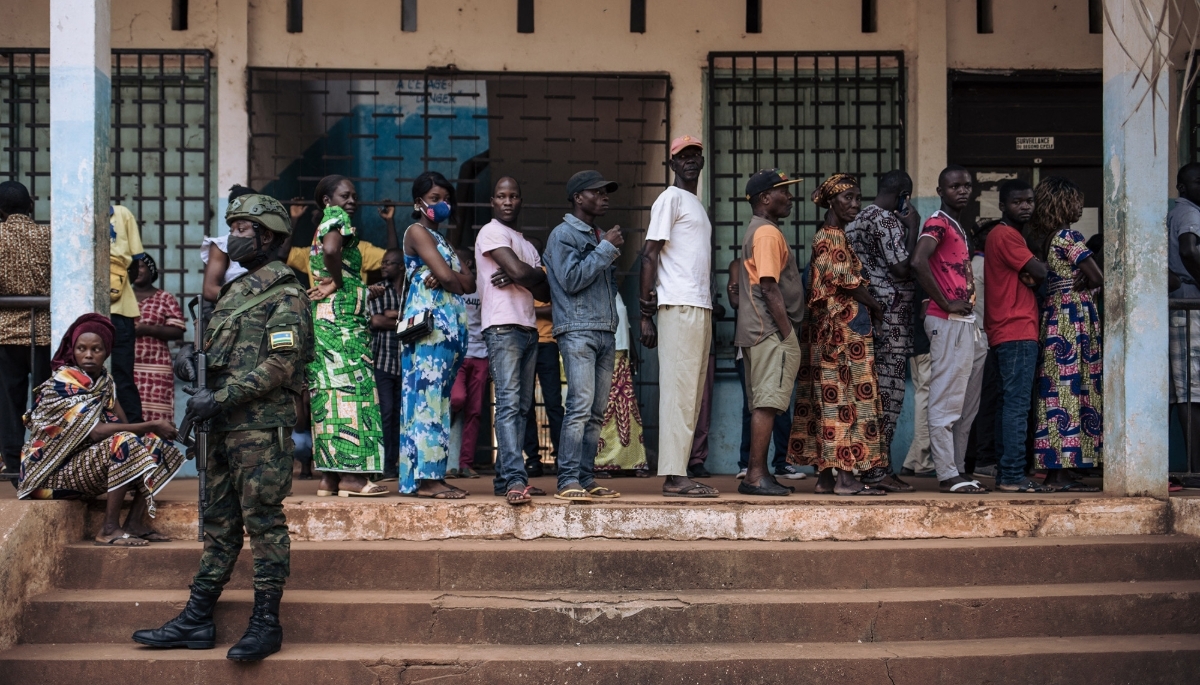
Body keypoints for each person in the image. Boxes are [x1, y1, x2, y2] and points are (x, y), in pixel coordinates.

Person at [132, 193, 312, 661]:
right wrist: (196, 366)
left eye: (242, 229)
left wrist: (222, 395)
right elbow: (224, 355)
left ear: (266, 236)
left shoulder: (286, 292)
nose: (231, 236)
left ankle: (265, 624)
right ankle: (196, 618)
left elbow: (280, 365)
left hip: (258, 429)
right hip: (221, 426)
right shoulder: (236, 290)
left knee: (264, 523)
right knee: (219, 524)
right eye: (231, 226)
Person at [19, 314, 183, 545]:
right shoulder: (62, 385)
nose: (88, 354)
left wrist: (152, 433)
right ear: (72, 350)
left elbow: (124, 425)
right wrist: (152, 424)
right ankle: (108, 529)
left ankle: (134, 522)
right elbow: (96, 432)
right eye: (81, 348)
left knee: (157, 445)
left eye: (96, 349)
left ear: (107, 351)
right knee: (124, 441)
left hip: (80, 469)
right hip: (49, 477)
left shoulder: (105, 382)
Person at [789, 173, 889, 496]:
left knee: (828, 401)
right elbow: (850, 283)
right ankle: (847, 478)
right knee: (845, 399)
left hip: (830, 335)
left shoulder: (829, 236)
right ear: (831, 202)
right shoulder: (832, 238)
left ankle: (827, 477)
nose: (855, 204)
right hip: (840, 337)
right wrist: (876, 306)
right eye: (848, 198)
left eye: (858, 198)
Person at [638, 134, 718, 498]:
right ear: (672, 163)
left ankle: (680, 470)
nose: (690, 160)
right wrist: (644, 313)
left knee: (691, 395)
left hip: (698, 306)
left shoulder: (694, 204)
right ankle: (673, 476)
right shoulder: (669, 198)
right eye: (683, 156)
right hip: (679, 306)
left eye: (695, 155)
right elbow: (649, 253)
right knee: (678, 393)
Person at [543, 170, 626, 503]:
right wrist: (605, 248)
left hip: (605, 330)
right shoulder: (562, 235)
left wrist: (604, 245)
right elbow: (571, 279)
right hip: (578, 330)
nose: (605, 197)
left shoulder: (598, 234)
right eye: (598, 192)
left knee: (595, 411)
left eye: (607, 192)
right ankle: (567, 480)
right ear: (578, 197)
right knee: (579, 406)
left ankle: (586, 478)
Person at [909, 165, 990, 494]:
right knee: (945, 401)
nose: (962, 191)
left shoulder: (959, 225)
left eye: (967, 185)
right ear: (941, 191)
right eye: (954, 186)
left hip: (967, 325)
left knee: (965, 407)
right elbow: (918, 261)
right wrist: (944, 301)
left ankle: (957, 469)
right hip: (946, 321)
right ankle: (946, 473)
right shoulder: (937, 222)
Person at [306, 175, 387, 497]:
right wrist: (340, 281)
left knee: (328, 395)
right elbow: (331, 251)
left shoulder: (321, 224)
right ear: (328, 200)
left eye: (354, 196)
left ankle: (329, 478)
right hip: (344, 328)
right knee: (354, 391)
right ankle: (353, 480)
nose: (351, 201)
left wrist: (359, 288)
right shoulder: (336, 219)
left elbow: (328, 257)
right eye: (344, 195)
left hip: (325, 323)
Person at [842, 169, 920, 491]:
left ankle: (873, 467)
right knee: (889, 396)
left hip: (866, 318)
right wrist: (913, 226)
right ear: (903, 196)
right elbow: (903, 267)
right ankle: (878, 471)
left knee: (871, 396)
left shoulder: (854, 222)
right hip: (892, 320)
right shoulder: (887, 220)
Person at [399, 171, 476, 498]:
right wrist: (448, 277)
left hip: (447, 336)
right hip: (428, 333)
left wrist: (449, 278)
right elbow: (449, 276)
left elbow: (470, 284)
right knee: (427, 403)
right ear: (419, 203)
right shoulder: (417, 232)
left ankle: (428, 476)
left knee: (437, 403)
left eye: (446, 199)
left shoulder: (443, 242)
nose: (442, 205)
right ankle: (428, 480)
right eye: (435, 199)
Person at [474, 177, 549, 503]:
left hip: (529, 328)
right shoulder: (491, 232)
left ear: (521, 200)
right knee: (508, 406)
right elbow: (525, 276)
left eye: (514, 196)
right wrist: (528, 275)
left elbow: (545, 291)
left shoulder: (527, 245)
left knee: (520, 407)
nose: (508, 201)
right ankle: (516, 480)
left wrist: (527, 275)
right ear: (493, 201)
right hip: (502, 327)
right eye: (502, 196)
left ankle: (506, 478)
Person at [1029, 177, 1104, 491]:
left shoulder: (1049, 239)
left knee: (1059, 394)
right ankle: (1060, 472)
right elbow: (1097, 275)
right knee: (1071, 392)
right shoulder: (1068, 235)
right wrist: (1090, 281)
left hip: (1057, 318)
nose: (1080, 206)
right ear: (1064, 204)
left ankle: (1060, 468)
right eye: (1075, 201)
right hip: (1073, 320)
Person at [983, 180, 1058, 492]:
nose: (1025, 206)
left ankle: (1008, 473)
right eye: (1017, 202)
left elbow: (1032, 273)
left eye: (1029, 201)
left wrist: (1031, 272)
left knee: (1007, 404)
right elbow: (1041, 273)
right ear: (1003, 206)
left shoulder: (1005, 236)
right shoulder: (1007, 235)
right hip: (1016, 328)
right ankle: (1013, 475)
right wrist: (1036, 269)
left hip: (1006, 329)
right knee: (1016, 405)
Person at [735, 169, 805, 498]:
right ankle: (755, 476)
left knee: (764, 403)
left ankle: (758, 473)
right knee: (767, 403)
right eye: (783, 192)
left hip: (760, 330)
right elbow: (768, 286)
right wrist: (788, 332)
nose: (789, 198)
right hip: (769, 332)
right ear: (765, 198)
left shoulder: (764, 230)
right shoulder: (766, 233)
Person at [0, 180, 50, 479]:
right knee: (44, 401)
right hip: (43, 330)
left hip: (5, 332)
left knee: (9, 402)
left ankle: (14, 466)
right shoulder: (47, 234)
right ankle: (44, 461)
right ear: (30, 205)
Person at [729, 257, 796, 480]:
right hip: (749, 342)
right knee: (753, 405)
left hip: (772, 339)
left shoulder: (773, 266)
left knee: (779, 404)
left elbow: (783, 298)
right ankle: (747, 464)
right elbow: (735, 300)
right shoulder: (738, 265)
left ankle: (782, 462)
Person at [522, 239, 564, 478]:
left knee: (554, 404)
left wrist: (526, 309)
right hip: (524, 343)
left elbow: (555, 308)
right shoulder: (518, 274)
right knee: (525, 406)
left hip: (547, 344)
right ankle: (533, 460)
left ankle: (561, 458)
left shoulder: (547, 274)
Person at [1169, 163, 1200, 476]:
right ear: (1181, 186)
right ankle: (1193, 469)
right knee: (1190, 390)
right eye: (1197, 181)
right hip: (1187, 306)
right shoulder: (1188, 212)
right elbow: (1189, 252)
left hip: (1186, 304)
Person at [595, 292, 648, 473]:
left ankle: (630, 462)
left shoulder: (616, 292)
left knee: (626, 410)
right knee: (606, 409)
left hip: (621, 354)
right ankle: (601, 463)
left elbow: (626, 325)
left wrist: (632, 351)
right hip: (606, 354)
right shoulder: (596, 290)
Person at [129, 255, 186, 423]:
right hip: (128, 366)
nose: (137, 271)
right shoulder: (123, 297)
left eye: (141, 266)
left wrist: (147, 329)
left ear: (151, 270)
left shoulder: (165, 298)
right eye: (133, 267)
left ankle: (157, 449)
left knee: (157, 414)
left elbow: (178, 330)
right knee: (131, 411)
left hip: (157, 366)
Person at [367, 248, 405, 481]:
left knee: (401, 417)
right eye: (383, 263)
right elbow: (376, 321)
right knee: (385, 414)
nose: (384, 266)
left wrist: (395, 315)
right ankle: (382, 466)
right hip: (382, 361)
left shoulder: (412, 292)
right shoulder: (379, 290)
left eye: (389, 263)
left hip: (407, 363)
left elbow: (424, 322)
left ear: (401, 266)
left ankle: (394, 464)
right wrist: (405, 320)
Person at [449, 247, 487, 480]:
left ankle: (465, 463)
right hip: (458, 355)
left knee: (474, 411)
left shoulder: (482, 287)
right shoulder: (450, 286)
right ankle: (445, 456)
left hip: (481, 354)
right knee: (457, 399)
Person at [109, 204, 146, 423]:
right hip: (120, 308)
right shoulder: (122, 214)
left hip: (107, 311)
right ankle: (134, 438)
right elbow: (136, 261)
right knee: (122, 377)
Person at [901, 284, 935, 477]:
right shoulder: (925, 270)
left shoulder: (912, 272)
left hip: (914, 343)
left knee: (923, 399)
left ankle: (912, 461)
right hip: (926, 344)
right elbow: (925, 312)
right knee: (926, 401)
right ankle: (922, 461)